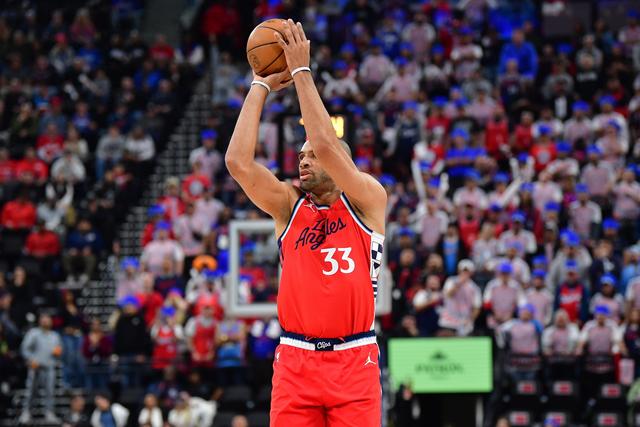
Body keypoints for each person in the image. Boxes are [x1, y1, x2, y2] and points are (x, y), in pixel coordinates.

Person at [226, 20, 387, 426]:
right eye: (301, 155)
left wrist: (301, 71)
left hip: (354, 360)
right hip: (296, 361)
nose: (304, 160)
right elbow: (237, 163)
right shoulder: (288, 207)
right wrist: (259, 85)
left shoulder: (368, 200)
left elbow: (328, 146)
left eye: (311, 155)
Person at [19, 313, 62, 424]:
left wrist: (58, 352)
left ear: (51, 322)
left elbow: (59, 350)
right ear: (39, 321)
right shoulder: (33, 333)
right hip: (35, 367)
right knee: (31, 391)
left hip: (49, 367)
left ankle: (49, 412)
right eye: (43, 319)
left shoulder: (54, 336)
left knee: (50, 391)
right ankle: (26, 412)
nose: (45, 321)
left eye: (47, 319)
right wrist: (30, 359)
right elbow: (24, 349)